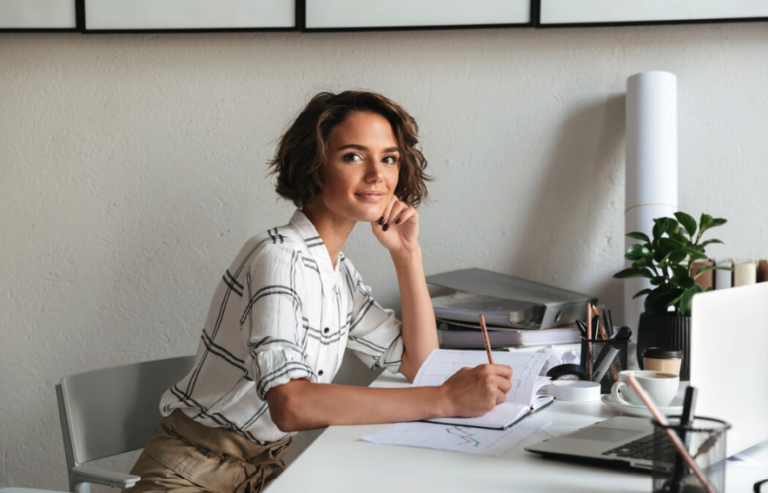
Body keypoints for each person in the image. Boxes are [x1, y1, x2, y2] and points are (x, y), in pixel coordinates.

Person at [125, 91, 513, 493]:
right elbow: (291, 405)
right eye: (353, 156)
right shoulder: (278, 256)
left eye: (388, 158)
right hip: (188, 477)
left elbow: (420, 363)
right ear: (314, 165)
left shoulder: (334, 270)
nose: (377, 175)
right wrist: (445, 400)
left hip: (260, 476)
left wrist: (407, 255)